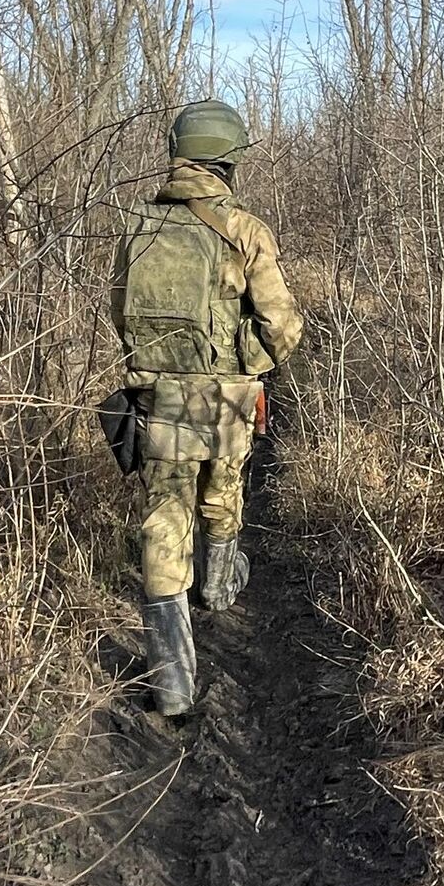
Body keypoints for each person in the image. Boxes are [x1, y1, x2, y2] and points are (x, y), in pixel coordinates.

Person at [109, 100, 304, 716]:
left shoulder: (138, 226)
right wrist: (249, 363)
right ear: (228, 161)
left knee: (164, 516)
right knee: (223, 490)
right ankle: (217, 587)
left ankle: (171, 682)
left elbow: (122, 314)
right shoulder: (244, 229)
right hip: (225, 396)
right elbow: (282, 325)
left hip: (159, 395)